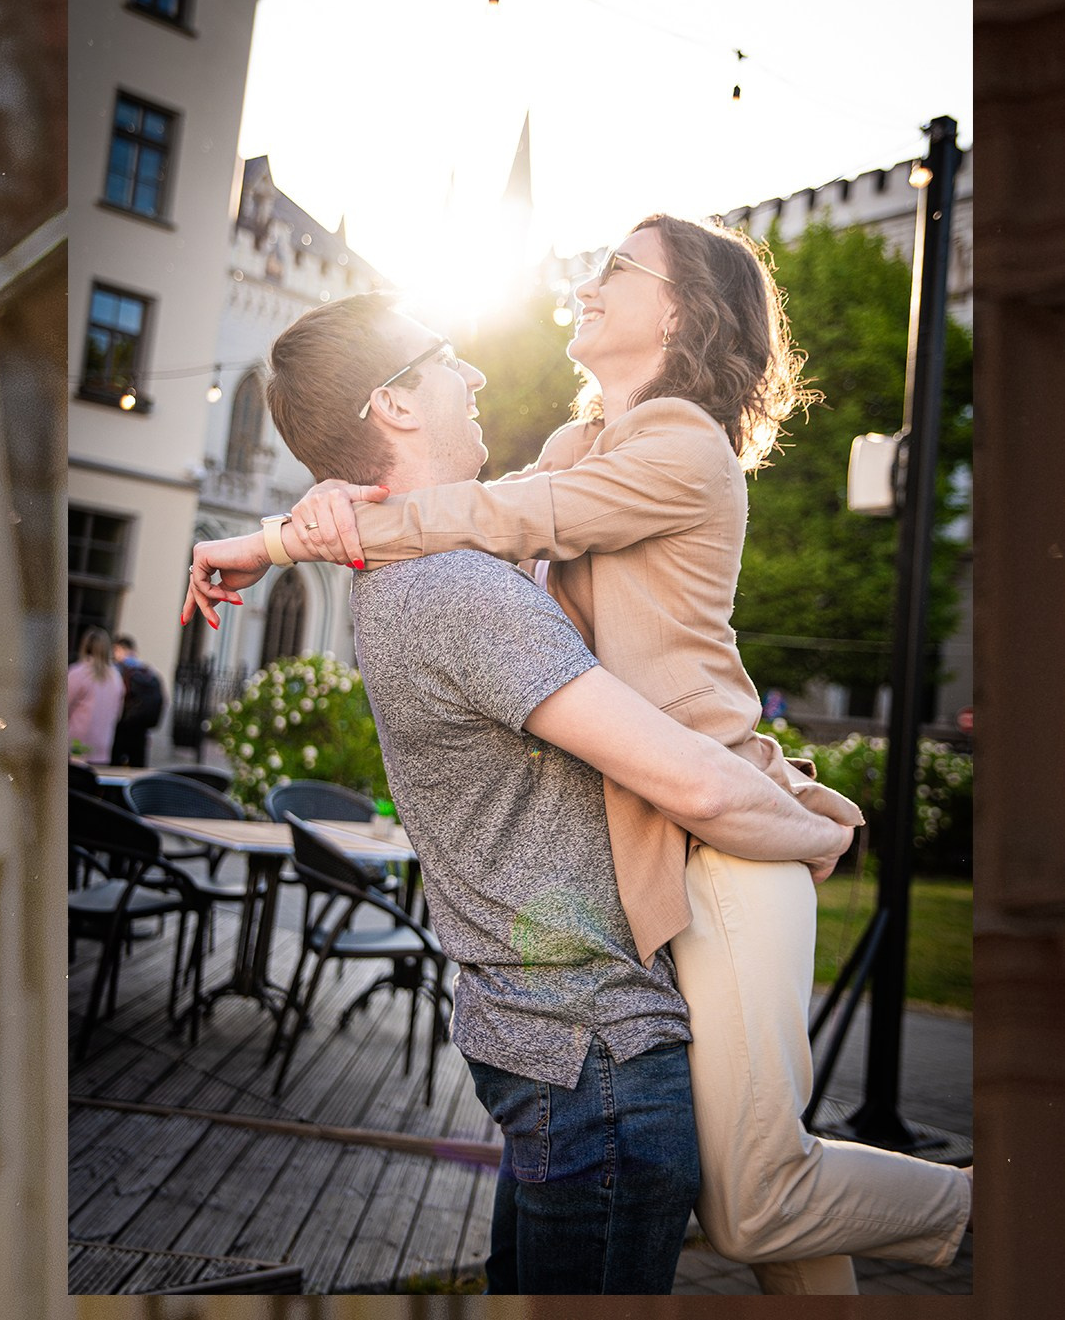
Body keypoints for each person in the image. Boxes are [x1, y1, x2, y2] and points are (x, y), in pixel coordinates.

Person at [190, 229, 970, 1290]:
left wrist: (816, 826)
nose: (585, 282)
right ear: (400, 403)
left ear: (682, 313)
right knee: (786, 1233)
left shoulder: (681, 444)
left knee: (758, 1200)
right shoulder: (572, 447)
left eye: (617, 269)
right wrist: (314, 513)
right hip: (659, 870)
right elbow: (480, 517)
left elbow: (506, 517)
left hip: (726, 830)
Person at [67, 626, 126, 763]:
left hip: (76, 743)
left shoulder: (79, 673)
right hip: (103, 744)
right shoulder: (115, 677)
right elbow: (118, 713)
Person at [110, 633, 165, 767]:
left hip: (122, 726)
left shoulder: (118, 669)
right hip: (142, 729)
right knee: (137, 767)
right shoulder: (148, 671)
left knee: (114, 766)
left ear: (120, 649)